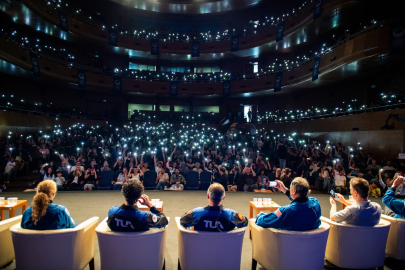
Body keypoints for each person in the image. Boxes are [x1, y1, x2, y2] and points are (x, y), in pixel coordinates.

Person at [255, 177, 321, 231]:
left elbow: (263, 221)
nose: (289, 189)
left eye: (290, 188)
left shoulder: (285, 211)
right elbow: (301, 200)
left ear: (294, 191)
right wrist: (284, 189)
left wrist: (260, 215)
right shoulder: (315, 203)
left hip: (287, 245)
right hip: (310, 244)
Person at [180, 183, 248, 231]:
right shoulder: (230, 214)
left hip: (200, 250)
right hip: (225, 250)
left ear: (208, 196)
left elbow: (182, 221)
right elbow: (244, 222)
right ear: (223, 197)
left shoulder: (196, 213)